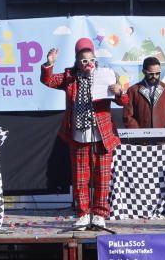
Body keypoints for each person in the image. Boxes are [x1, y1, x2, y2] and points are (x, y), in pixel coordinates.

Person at [41, 38, 128, 229]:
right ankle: (82, 214)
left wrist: (119, 92)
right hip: (79, 133)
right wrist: (49, 63)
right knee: (80, 177)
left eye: (90, 60)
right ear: (77, 62)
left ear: (95, 59)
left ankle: (99, 214)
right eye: (83, 61)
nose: (88, 64)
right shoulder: (70, 77)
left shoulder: (106, 74)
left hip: (101, 133)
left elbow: (124, 101)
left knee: (102, 177)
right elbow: (47, 80)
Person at [122, 57, 165, 130]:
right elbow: (127, 116)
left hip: (164, 138)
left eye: (157, 73)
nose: (154, 76)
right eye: (151, 74)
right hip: (141, 139)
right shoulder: (133, 90)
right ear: (144, 72)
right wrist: (138, 133)